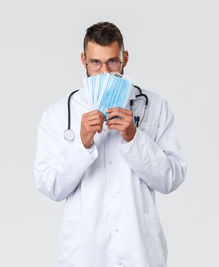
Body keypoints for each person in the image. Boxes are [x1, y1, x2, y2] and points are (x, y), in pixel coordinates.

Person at [33, 21, 187, 267]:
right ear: (83, 60)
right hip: (84, 252)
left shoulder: (154, 106)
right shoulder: (59, 113)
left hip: (138, 249)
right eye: (95, 63)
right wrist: (81, 144)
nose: (104, 72)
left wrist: (134, 138)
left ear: (125, 58)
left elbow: (171, 179)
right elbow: (50, 186)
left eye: (112, 62)